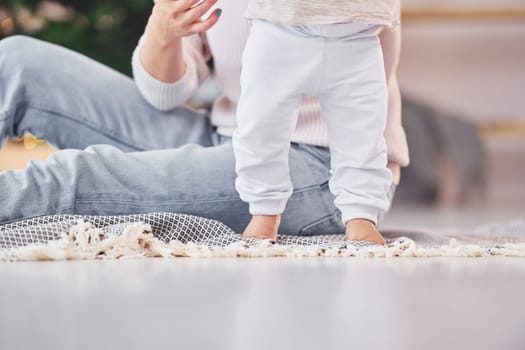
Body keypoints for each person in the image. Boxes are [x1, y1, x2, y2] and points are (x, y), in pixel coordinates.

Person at [0, 0, 409, 239]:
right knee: (17, 62)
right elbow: (165, 94)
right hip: (225, 135)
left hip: (320, 167)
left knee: (74, 178)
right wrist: (164, 30)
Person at [233, 0, 399, 244]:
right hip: (278, 29)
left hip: (359, 35)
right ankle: (264, 211)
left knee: (363, 132)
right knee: (261, 128)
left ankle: (361, 216)